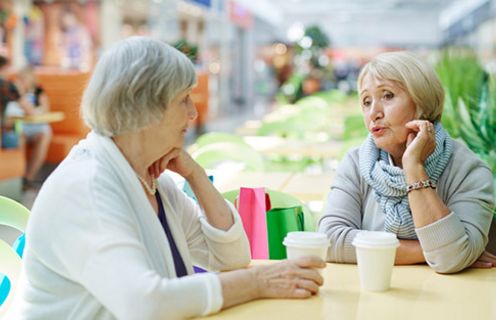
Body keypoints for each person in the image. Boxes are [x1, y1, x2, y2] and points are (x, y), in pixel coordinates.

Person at [12, 37, 325, 319]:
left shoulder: (154, 181)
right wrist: (258, 282)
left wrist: (196, 175)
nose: (193, 113)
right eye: (183, 100)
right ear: (144, 107)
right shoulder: (86, 187)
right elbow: (145, 304)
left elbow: (232, 257)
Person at [318, 51, 496, 274]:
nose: (374, 113)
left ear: (421, 103)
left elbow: (450, 260)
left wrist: (414, 168)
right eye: (366, 102)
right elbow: (329, 240)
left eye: (387, 96)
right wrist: (433, 252)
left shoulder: (469, 171)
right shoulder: (356, 163)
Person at [14, 65, 52, 188]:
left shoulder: (38, 91)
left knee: (45, 134)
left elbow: (45, 110)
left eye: (23, 78)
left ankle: (28, 178)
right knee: (18, 138)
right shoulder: (14, 92)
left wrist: (35, 111)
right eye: (19, 78)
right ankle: (17, 177)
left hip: (37, 126)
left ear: (31, 78)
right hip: (22, 125)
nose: (21, 81)